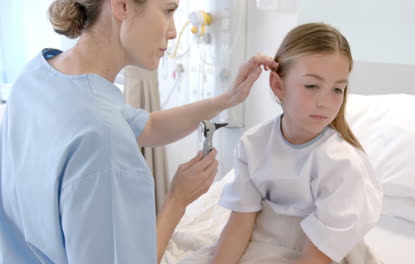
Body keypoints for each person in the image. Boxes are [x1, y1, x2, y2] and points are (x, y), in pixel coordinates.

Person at [0, 0, 278, 263]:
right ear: (122, 6)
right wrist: (176, 201)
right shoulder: (103, 138)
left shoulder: (36, 77)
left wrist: (227, 99)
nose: (172, 31)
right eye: (168, 10)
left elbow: (149, 126)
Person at [179, 23, 383, 264]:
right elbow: (240, 223)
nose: (325, 103)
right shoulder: (253, 145)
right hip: (262, 243)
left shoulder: (342, 164)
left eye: (337, 89)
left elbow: (317, 255)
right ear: (277, 84)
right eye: (311, 86)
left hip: (319, 254)